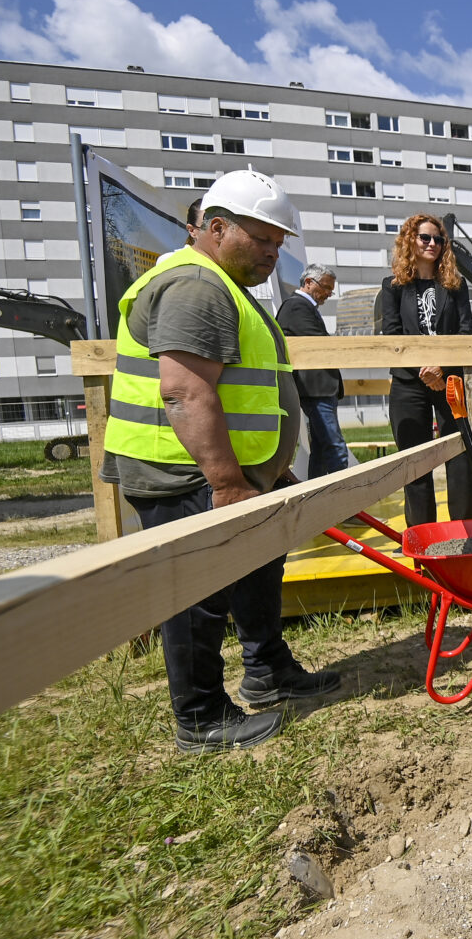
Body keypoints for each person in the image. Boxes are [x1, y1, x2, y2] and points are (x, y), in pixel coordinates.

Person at [99, 169, 339, 753]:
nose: (271, 253)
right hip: (183, 471)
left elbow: (238, 388)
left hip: (230, 470)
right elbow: (184, 391)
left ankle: (267, 670)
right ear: (215, 227)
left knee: (258, 567)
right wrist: (227, 482)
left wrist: (264, 467)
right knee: (196, 592)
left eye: (279, 244)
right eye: (261, 240)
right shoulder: (195, 286)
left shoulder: (224, 286)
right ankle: (201, 715)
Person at [380, 214, 472, 525]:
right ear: (411, 240)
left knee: (459, 458)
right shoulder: (393, 287)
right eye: (425, 238)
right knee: (415, 463)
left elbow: (465, 332)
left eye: (438, 239)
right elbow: (393, 336)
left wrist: (441, 367)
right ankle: (423, 538)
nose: (432, 244)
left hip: (449, 379)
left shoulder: (455, 285)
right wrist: (424, 369)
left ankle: (465, 533)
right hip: (408, 384)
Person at [276, 263, 349, 479]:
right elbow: (319, 344)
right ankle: (344, 502)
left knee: (321, 451)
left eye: (330, 290)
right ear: (308, 282)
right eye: (325, 287)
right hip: (315, 390)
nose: (328, 294)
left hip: (319, 389)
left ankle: (318, 503)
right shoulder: (296, 306)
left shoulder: (303, 307)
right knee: (335, 449)